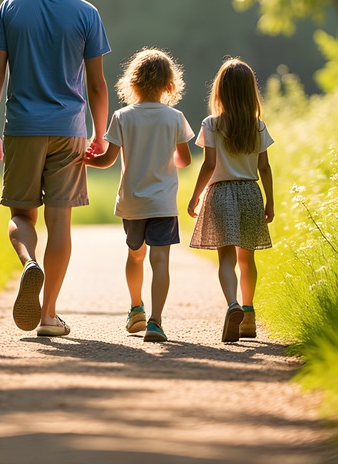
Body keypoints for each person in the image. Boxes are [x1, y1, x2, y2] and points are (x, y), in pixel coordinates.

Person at [0, 0, 110, 338]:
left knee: (21, 214)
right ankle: (49, 315)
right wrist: (99, 134)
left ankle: (28, 263)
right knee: (61, 223)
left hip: (22, 128)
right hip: (70, 130)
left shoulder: (11, 8)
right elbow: (97, 86)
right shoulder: (87, 13)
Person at [86, 48, 193, 343]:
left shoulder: (122, 117)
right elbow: (184, 161)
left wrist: (85, 160)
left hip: (132, 202)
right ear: (169, 84)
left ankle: (136, 309)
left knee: (135, 256)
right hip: (162, 202)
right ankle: (156, 322)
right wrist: (167, 150)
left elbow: (107, 160)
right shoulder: (175, 118)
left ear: (132, 83)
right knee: (160, 260)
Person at [187, 57, 275, 343]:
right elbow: (264, 167)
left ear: (220, 91)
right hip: (251, 193)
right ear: (251, 91)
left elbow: (209, 164)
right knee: (246, 259)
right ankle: (248, 315)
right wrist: (270, 201)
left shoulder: (211, 124)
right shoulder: (257, 126)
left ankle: (232, 305)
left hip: (221, 193)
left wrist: (195, 195)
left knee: (226, 259)